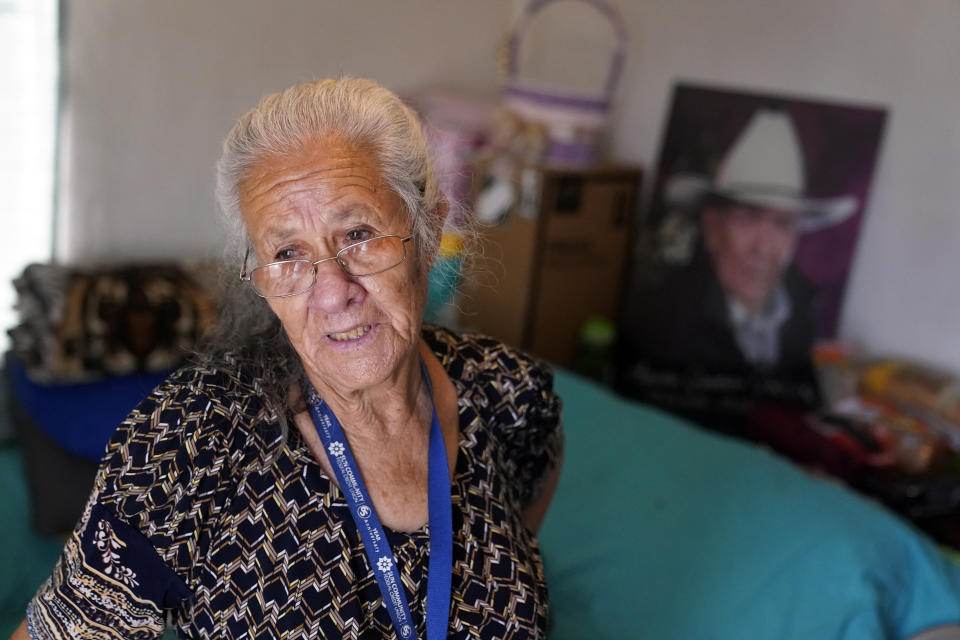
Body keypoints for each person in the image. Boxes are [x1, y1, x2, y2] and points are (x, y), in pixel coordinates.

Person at [15, 77, 563, 639]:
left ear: (427, 234)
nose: (331, 292)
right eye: (287, 254)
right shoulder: (189, 445)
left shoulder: (508, 394)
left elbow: (520, 531)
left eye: (357, 233)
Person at [620, 109, 857, 418]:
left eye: (782, 224)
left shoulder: (808, 315)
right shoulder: (663, 320)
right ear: (712, 229)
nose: (764, 247)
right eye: (747, 219)